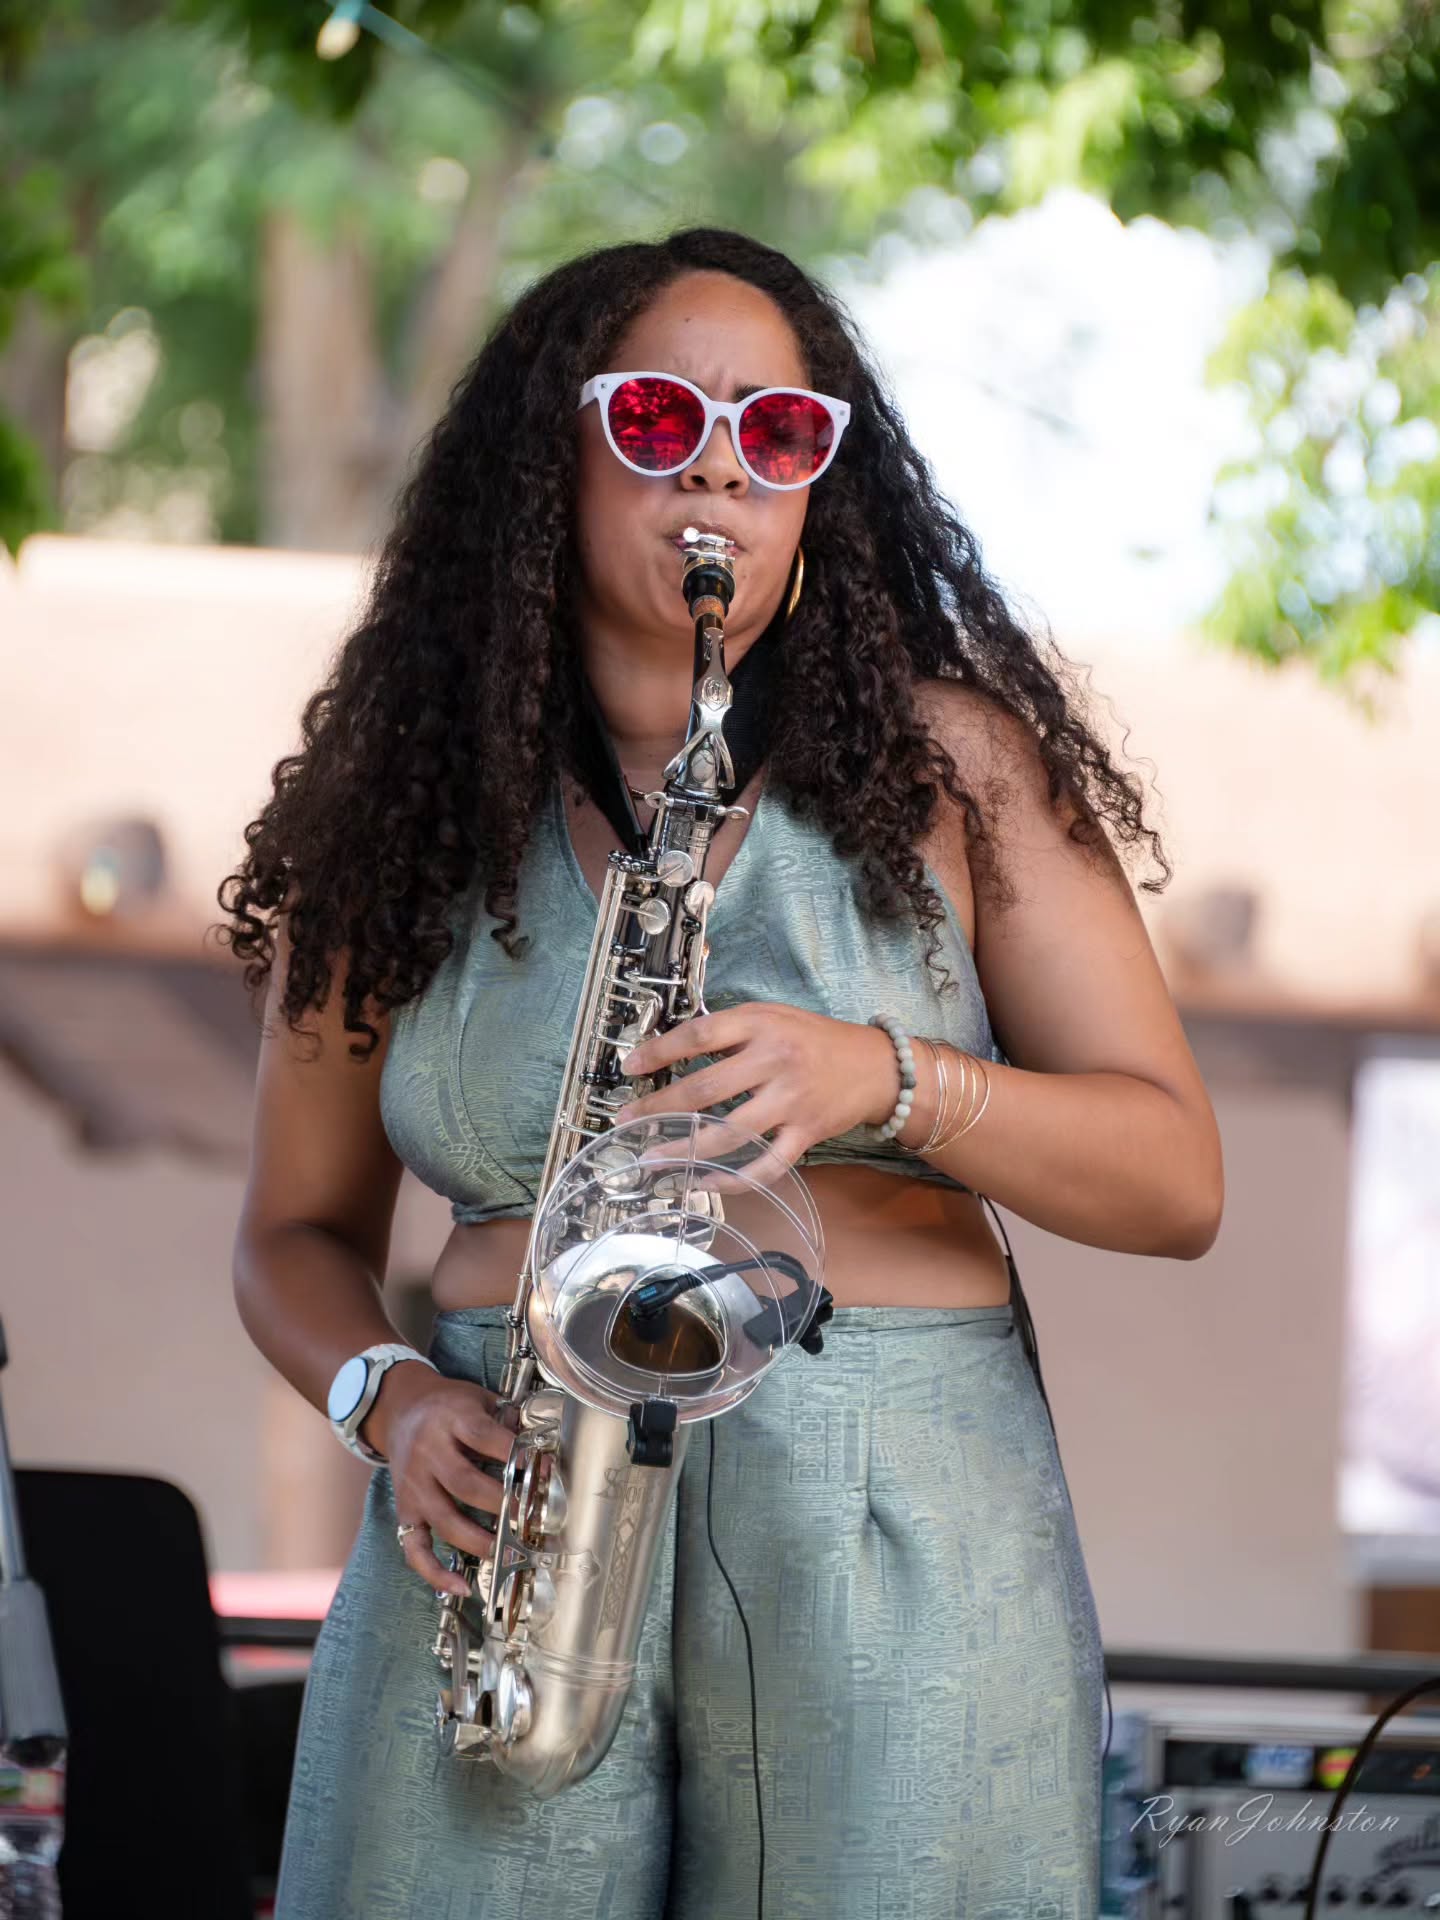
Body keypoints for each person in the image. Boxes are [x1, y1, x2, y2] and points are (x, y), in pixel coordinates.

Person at [223, 224, 1223, 1919]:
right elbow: (287, 1235)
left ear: (821, 489)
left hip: (894, 1513)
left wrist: (893, 1081)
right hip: (504, 1525)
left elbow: (1176, 1182)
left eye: (777, 437)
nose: (721, 474)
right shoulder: (398, 806)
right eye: (656, 423)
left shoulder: (962, 768)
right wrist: (389, 1403)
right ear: (548, 467)